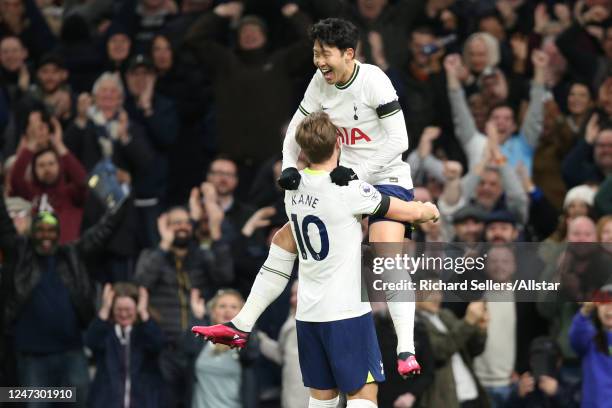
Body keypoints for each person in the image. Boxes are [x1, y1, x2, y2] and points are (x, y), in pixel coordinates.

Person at [194, 112, 439, 408]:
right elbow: (405, 212)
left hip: (308, 315)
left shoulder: (292, 192)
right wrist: (428, 210)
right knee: (363, 396)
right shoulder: (351, 191)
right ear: (339, 144)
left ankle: (242, 322)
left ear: (301, 150)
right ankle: (406, 348)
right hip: (347, 312)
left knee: (321, 398)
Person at [275, 17, 425, 378]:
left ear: (348, 54)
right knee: (285, 241)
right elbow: (295, 129)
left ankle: (406, 348)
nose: (319, 63)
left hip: (383, 175)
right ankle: (243, 322)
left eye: (324, 55)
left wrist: (359, 174)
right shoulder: (319, 83)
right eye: (315, 54)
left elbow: (399, 141)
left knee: (385, 251)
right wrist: (288, 167)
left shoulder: (374, 81)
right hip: (339, 180)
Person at [85, 282, 164, 408]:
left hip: (142, 401)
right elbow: (91, 341)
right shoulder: (106, 332)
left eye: (128, 310)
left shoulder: (144, 331)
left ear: (136, 308)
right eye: (119, 310)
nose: (123, 314)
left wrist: (143, 313)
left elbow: (158, 343)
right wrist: (105, 309)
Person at [569, 291, 612, 408]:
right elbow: (575, 338)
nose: (609, 309)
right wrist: (585, 311)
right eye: (604, 303)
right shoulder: (590, 337)